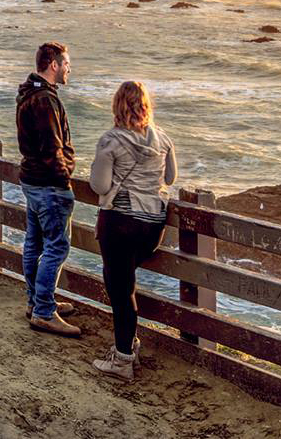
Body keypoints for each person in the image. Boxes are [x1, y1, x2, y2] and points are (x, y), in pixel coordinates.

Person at [88, 79, 176, 379]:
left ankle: (123, 358)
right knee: (126, 286)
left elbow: (99, 186)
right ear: (145, 106)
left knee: (120, 289)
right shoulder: (162, 138)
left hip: (121, 224)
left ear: (117, 106)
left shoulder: (111, 140)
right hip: (152, 227)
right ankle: (128, 345)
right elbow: (171, 178)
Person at [16, 41, 81, 337]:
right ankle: (43, 310)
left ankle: (37, 301)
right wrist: (65, 179)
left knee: (35, 244)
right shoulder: (45, 100)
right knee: (57, 247)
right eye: (66, 63)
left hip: (31, 181)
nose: (69, 68)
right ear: (53, 64)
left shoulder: (28, 93)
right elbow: (53, 148)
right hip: (48, 185)